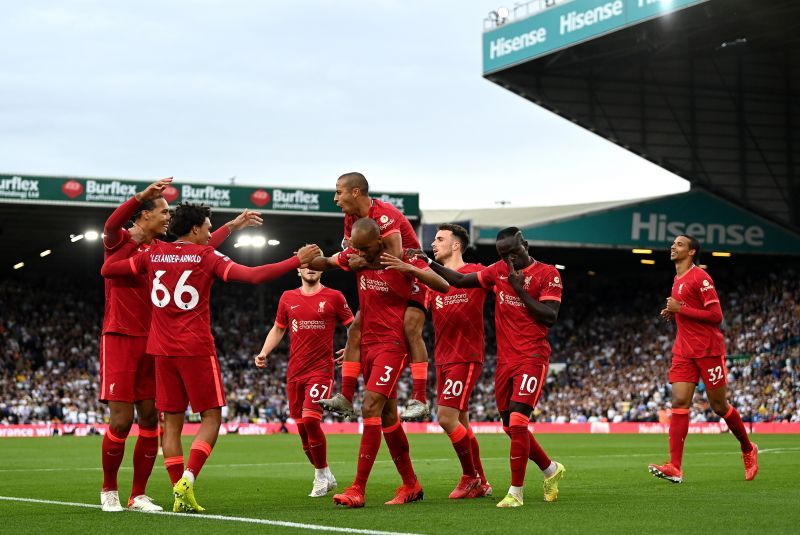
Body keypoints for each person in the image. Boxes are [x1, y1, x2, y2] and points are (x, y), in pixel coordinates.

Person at [102, 202, 321, 513]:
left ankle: (176, 489)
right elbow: (254, 275)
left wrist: (230, 226)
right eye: (207, 226)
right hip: (194, 347)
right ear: (196, 229)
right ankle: (188, 478)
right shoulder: (205, 256)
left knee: (171, 424)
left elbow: (109, 269)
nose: (208, 232)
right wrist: (295, 260)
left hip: (160, 349)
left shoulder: (153, 254)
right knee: (211, 417)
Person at [99, 177, 261, 512]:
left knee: (148, 419)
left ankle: (137, 494)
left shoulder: (162, 249)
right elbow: (111, 224)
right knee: (120, 420)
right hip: (120, 337)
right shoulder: (120, 242)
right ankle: (109, 490)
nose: (169, 217)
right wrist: (142, 195)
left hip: (156, 341)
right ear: (144, 216)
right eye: (163, 211)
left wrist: (231, 226)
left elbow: (199, 250)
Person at [418, 227, 566, 508]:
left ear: (525, 244)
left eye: (513, 252)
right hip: (505, 360)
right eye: (503, 255)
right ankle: (550, 469)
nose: (509, 260)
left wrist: (520, 290)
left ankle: (516, 492)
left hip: (532, 356)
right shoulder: (498, 270)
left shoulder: (548, 274)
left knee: (519, 422)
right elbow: (461, 280)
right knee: (510, 427)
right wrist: (427, 263)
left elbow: (550, 316)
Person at [309, 218, 449, 507]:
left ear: (379, 241)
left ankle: (357, 489)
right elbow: (326, 263)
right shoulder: (357, 256)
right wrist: (306, 258)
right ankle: (411, 484)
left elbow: (443, 284)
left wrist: (410, 268)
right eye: (355, 248)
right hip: (368, 347)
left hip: (392, 347)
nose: (358, 254)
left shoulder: (401, 257)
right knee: (388, 417)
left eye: (363, 248)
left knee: (370, 406)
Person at [320, 172, 431, 420]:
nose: (335, 198)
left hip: (411, 275)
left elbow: (395, 256)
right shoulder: (351, 219)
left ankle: (420, 399)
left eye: (339, 192)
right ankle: (345, 397)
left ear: (356, 192)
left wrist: (360, 263)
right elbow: (353, 254)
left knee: (411, 326)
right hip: (384, 280)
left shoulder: (385, 214)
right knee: (356, 326)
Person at [648, 235, 758, 483]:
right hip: (683, 350)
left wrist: (680, 309)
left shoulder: (701, 278)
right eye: (673, 244)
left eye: (679, 244)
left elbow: (716, 315)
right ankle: (675, 467)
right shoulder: (677, 280)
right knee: (679, 401)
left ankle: (748, 448)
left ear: (691, 252)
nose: (673, 247)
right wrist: (674, 313)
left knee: (719, 406)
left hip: (708, 350)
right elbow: (685, 310)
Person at [254, 267, 354, 497]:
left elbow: (353, 326)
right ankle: (325, 471)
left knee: (310, 420)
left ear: (322, 267)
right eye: (306, 263)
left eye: (316, 263)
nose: (311, 268)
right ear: (299, 268)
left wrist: (351, 348)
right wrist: (263, 352)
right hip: (295, 372)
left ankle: (319, 477)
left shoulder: (334, 297)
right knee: (302, 431)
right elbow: (279, 329)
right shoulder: (288, 297)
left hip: (321, 370)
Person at [427, 224, 491, 499]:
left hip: (465, 356)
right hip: (442, 358)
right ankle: (482, 483)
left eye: (440, 239)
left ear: (456, 245)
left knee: (445, 417)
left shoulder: (475, 272)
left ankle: (469, 477)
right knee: (462, 420)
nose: (433, 243)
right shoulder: (431, 281)